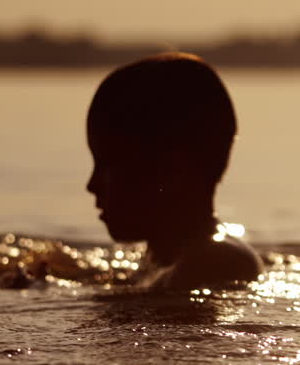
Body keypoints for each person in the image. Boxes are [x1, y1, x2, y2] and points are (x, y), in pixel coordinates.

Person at [86, 52, 261, 290]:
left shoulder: (212, 263)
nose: (92, 185)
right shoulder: (164, 258)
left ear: (172, 171)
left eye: (106, 164)